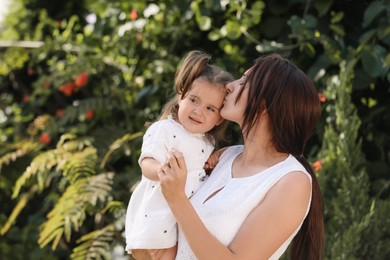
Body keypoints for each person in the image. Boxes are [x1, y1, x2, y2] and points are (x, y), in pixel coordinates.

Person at [153, 53, 325, 260]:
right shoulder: (224, 157)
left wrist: (177, 199)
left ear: (264, 106)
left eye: (243, 82)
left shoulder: (291, 181)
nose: (230, 86)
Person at [125, 50, 233, 259]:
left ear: (219, 119)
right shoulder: (164, 129)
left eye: (210, 108)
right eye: (194, 100)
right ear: (181, 96)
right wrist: (161, 171)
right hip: (155, 217)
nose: (198, 111)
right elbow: (146, 162)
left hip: (178, 221)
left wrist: (210, 162)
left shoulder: (207, 142)